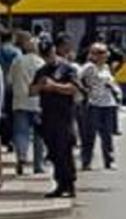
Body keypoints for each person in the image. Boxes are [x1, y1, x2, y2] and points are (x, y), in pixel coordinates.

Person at [30, 36, 79, 198]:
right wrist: (40, 86)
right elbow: (31, 91)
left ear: (54, 51)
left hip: (64, 115)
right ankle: (59, 184)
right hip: (48, 115)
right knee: (53, 152)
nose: (48, 57)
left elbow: (73, 88)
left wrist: (54, 86)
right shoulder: (42, 70)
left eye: (49, 53)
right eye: (44, 55)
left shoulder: (66, 68)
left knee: (65, 150)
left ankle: (70, 185)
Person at [79, 43, 120, 171]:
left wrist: (115, 90)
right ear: (93, 54)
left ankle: (109, 160)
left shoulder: (106, 68)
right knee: (89, 134)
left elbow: (112, 82)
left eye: (105, 52)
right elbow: (76, 78)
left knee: (107, 134)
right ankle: (86, 161)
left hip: (108, 103)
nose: (104, 55)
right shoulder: (89, 67)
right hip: (94, 104)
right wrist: (85, 90)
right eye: (100, 52)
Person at [10, 34, 45, 175]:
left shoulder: (17, 61)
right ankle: (38, 165)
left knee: (20, 132)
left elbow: (10, 80)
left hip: (20, 101)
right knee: (39, 135)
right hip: (38, 103)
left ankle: (22, 155)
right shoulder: (41, 63)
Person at [0, 28, 21, 150]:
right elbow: (20, 66)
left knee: (3, 114)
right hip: (13, 85)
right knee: (13, 115)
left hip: (2, 84)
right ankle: (11, 140)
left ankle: (4, 138)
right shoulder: (16, 51)